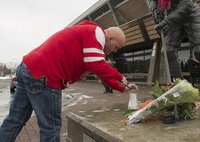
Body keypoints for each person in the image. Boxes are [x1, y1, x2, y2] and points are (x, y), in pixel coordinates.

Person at [0, 20, 138, 142]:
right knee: (51, 126)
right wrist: (120, 77)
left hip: (28, 67)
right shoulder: (96, 32)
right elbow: (96, 65)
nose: (114, 51)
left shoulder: (88, 38)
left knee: (15, 119)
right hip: (45, 74)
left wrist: (121, 87)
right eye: (116, 47)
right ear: (109, 38)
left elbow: (98, 70)